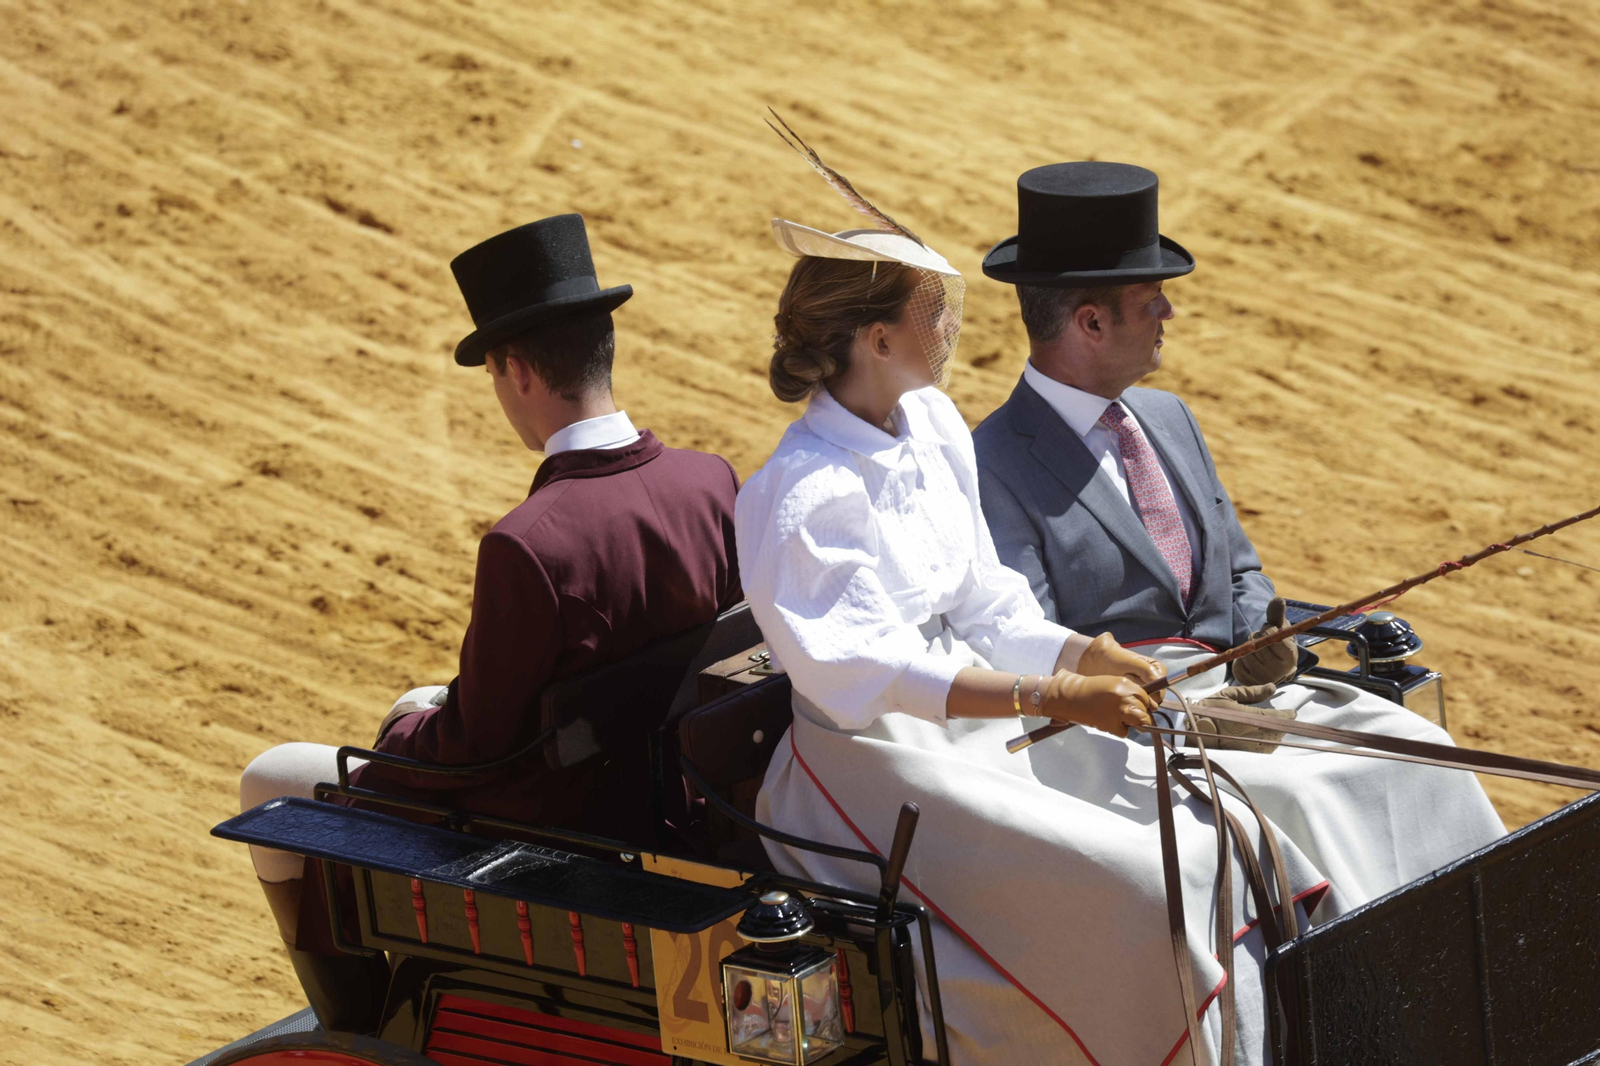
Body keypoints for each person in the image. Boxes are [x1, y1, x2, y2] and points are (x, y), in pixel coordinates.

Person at [737, 154, 1339, 1065]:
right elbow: (871, 677)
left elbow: (982, 593)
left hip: (985, 717)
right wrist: (1048, 698)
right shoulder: (799, 494)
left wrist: (1080, 654)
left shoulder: (935, 423)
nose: (953, 326)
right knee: (1144, 884)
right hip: (872, 766)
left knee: (1208, 836)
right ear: (877, 338)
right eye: (931, 311)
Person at [237, 213, 743, 1032]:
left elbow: (476, 754)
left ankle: (353, 1025)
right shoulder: (708, 481)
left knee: (271, 777)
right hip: (679, 816)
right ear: (604, 348)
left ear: (514, 371)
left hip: (565, 843)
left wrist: (402, 730)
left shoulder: (528, 543)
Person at [972, 163, 1504, 915]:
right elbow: (1031, 641)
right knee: (1314, 797)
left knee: (1424, 754)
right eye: (1149, 298)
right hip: (1133, 742)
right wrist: (1176, 694)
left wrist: (1263, 638)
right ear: (1090, 323)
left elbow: (1241, 572)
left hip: (1255, 702)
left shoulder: (1167, 417)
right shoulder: (990, 464)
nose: (1169, 311)